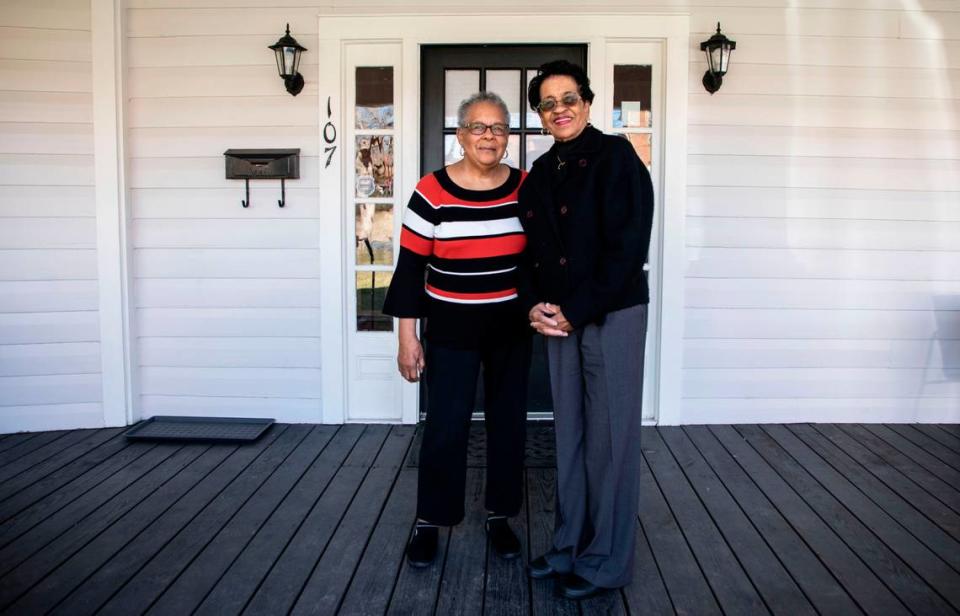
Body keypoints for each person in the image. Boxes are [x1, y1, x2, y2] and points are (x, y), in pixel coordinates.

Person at [518, 60, 654, 600]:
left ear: (588, 102)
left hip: (611, 314)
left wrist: (576, 309)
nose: (560, 109)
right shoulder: (541, 171)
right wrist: (533, 306)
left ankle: (606, 560)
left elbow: (628, 250)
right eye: (548, 103)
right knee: (569, 437)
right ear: (540, 113)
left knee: (611, 441)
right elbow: (529, 254)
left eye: (568, 98)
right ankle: (570, 544)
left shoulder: (617, 157)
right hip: (557, 320)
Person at [382, 91, 531, 567]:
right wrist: (408, 338)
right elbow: (409, 272)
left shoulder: (527, 188)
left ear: (508, 138)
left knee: (508, 425)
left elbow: (545, 257)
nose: (489, 137)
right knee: (445, 428)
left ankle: (499, 516)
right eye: (479, 127)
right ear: (461, 135)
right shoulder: (431, 191)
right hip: (450, 327)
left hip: (511, 326)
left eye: (499, 128)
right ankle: (430, 521)